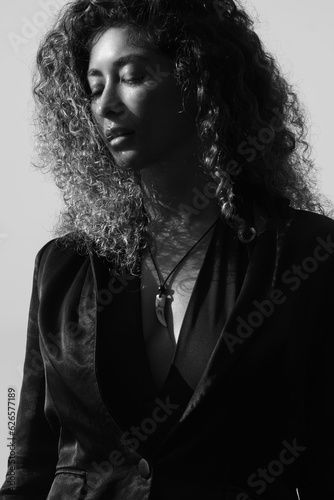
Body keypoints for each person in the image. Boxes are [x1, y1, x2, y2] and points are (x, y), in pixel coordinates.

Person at [1, 0, 333, 498]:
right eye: (94, 88)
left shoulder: (305, 253)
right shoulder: (62, 266)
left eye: (132, 76)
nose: (107, 103)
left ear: (200, 81)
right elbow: (30, 464)